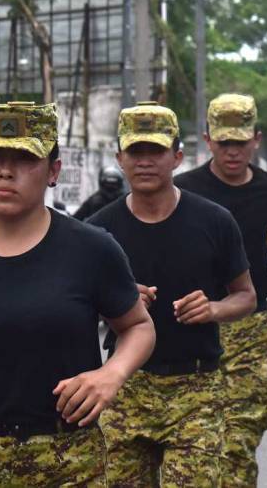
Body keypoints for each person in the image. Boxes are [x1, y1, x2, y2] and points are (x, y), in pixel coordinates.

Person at [0, 101, 155, 485]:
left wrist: (112, 373)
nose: (5, 170)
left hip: (69, 462)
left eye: (24, 158)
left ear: (54, 171)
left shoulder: (92, 249)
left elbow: (138, 326)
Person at [89, 102, 256, 486]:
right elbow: (74, 309)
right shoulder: (97, 231)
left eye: (156, 151)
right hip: (126, 386)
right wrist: (115, 304)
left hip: (196, 388)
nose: (145, 161)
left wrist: (213, 308)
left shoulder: (214, 221)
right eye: (135, 151)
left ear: (177, 157)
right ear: (119, 158)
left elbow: (245, 297)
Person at [174, 93, 267, 486]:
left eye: (240, 143)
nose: (232, 152)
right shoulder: (182, 190)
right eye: (223, 142)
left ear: (256, 140)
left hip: (251, 324)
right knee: (193, 443)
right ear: (208, 140)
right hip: (192, 326)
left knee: (240, 436)